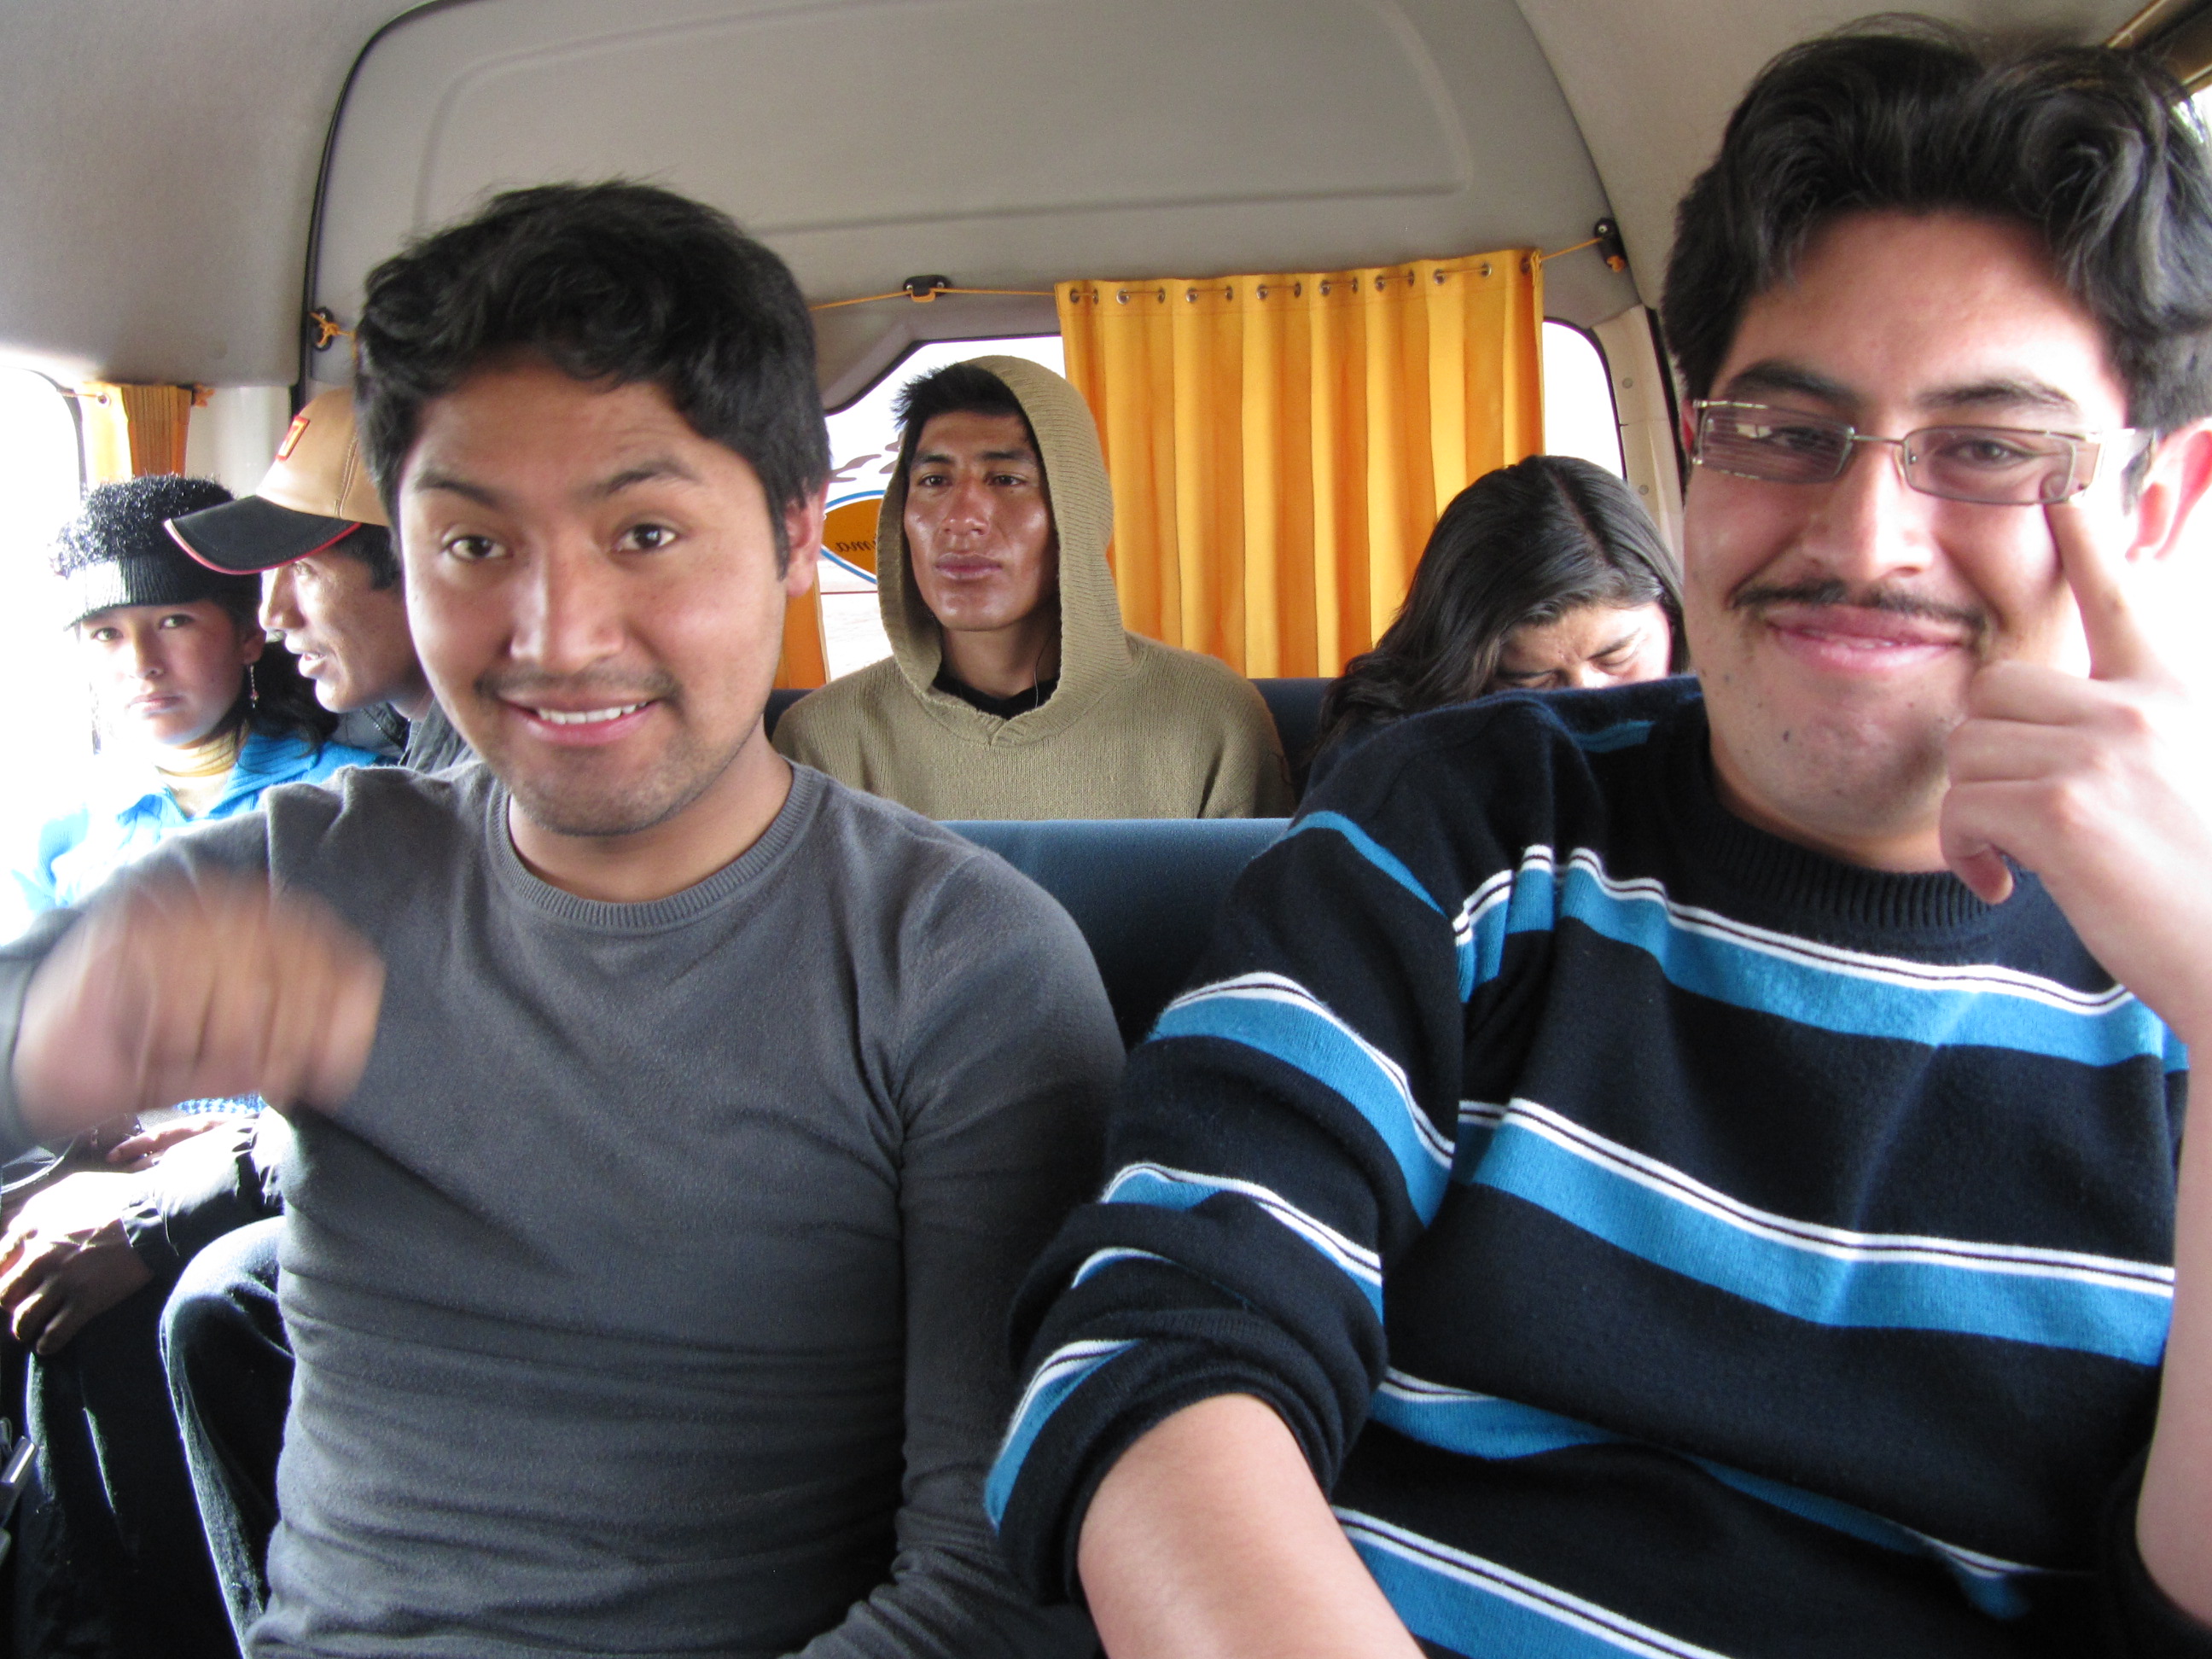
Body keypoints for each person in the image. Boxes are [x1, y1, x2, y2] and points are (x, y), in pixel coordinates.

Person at [987, 22, 2212, 1656]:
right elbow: (1156, 1336)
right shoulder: (1469, 821)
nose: (1861, 536)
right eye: (1784, 428)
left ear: (2152, 502)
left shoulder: (2180, 986)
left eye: (1988, 449)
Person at [0, 180, 1117, 1657]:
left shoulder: (964, 968)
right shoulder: (319, 868)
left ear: (794, 535)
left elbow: (987, 1586)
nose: (558, 636)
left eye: (645, 531)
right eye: (473, 547)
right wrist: (49, 1038)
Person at [0, 474, 381, 1657]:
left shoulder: (341, 795)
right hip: (120, 1156)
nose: (143, 666)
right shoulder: (66, 833)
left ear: (246, 632)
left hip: (251, 1165)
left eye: (172, 622)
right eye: (106, 637)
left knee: (120, 1319)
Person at [773, 357, 1293, 818]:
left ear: (1076, 509)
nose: (961, 519)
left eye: (1005, 480)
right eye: (934, 481)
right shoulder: (825, 740)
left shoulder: (1211, 719)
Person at [1307, 454, 1682, 787]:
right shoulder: (1388, 767)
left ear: (1672, 616)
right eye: (1534, 679)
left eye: (1617, 657)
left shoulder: (1710, 724)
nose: (1587, 703)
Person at [167, 386, 473, 772]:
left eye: (302, 569)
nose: (272, 616)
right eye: (272, 567)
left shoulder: (496, 787)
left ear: (422, 570)